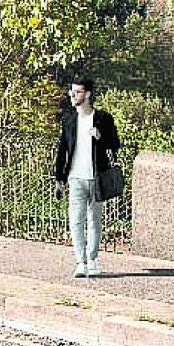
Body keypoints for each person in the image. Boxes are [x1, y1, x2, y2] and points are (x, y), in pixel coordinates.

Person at [52, 78, 120, 278]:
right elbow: (62, 150)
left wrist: (100, 137)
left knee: (94, 221)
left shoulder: (103, 119)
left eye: (78, 92)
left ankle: (92, 259)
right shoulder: (69, 119)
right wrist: (59, 178)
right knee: (76, 220)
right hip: (75, 178)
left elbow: (115, 144)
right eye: (72, 91)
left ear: (88, 94)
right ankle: (80, 261)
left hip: (95, 177)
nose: (73, 95)